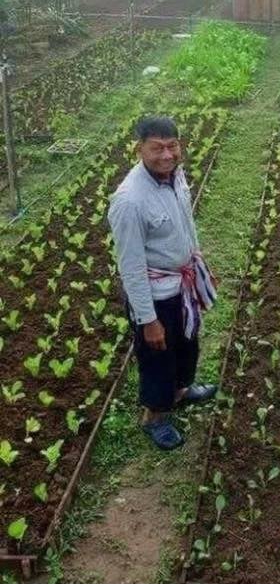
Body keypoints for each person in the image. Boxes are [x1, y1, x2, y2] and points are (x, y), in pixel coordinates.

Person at [108, 116, 218, 450]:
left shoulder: (174, 177)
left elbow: (186, 222)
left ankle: (181, 391)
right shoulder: (129, 201)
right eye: (157, 148)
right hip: (156, 297)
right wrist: (148, 320)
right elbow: (131, 267)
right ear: (139, 148)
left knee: (187, 342)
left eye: (172, 146)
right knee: (158, 357)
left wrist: (198, 264)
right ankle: (154, 417)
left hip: (181, 287)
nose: (167, 155)